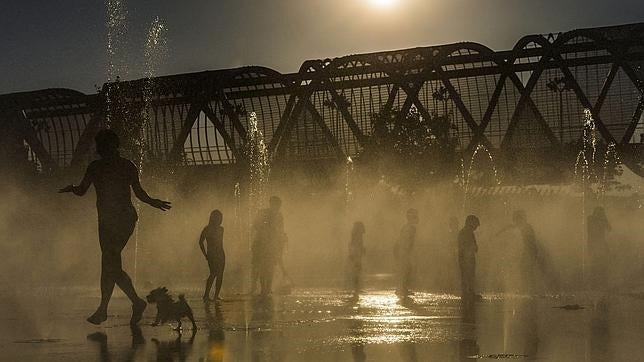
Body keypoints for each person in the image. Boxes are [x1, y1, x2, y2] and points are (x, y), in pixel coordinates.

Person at [59, 129, 171, 325]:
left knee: (110, 263)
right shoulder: (101, 167)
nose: (99, 148)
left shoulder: (123, 166)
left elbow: (138, 192)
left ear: (112, 145)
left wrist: (153, 202)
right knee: (109, 265)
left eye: (102, 144)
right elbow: (83, 190)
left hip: (122, 220)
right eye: (99, 145)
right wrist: (73, 189)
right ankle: (121, 306)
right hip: (106, 221)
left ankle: (117, 306)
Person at [251, 196, 285, 296]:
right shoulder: (262, 213)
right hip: (261, 243)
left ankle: (268, 288)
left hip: (272, 244)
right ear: (271, 204)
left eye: (279, 205)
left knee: (270, 267)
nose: (278, 207)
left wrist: (281, 244)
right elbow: (255, 226)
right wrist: (265, 228)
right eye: (276, 205)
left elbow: (281, 231)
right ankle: (262, 289)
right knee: (262, 267)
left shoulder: (279, 216)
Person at [199, 209, 225, 302]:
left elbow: (220, 243)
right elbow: (200, 242)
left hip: (221, 253)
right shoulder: (207, 229)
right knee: (213, 273)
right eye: (217, 217)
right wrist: (205, 254)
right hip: (212, 254)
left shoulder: (221, 229)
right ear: (213, 218)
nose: (219, 219)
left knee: (220, 274)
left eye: (220, 217)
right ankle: (206, 295)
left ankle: (216, 295)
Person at [394, 208, 418, 297]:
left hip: (402, 251)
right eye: (415, 217)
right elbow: (409, 243)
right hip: (404, 252)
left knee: (405, 270)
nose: (417, 218)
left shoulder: (406, 227)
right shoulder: (411, 228)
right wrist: (409, 254)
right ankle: (402, 289)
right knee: (406, 270)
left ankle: (402, 289)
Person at [587, 206, 611, 291]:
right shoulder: (590, 219)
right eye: (600, 212)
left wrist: (604, 219)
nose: (601, 214)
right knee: (595, 263)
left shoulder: (600, 219)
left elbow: (609, 229)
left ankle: (601, 282)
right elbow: (590, 231)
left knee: (601, 263)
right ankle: (595, 283)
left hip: (600, 244)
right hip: (594, 243)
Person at [458, 215, 480, 303]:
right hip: (466, 258)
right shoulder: (465, 233)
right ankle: (467, 294)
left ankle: (469, 293)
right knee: (467, 275)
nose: (476, 227)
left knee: (469, 276)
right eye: (475, 225)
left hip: (468, 258)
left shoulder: (466, 233)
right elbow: (463, 246)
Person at [348, 222, 366, 294]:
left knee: (356, 270)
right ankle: (356, 288)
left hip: (356, 254)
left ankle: (356, 288)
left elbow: (352, 245)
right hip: (356, 254)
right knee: (357, 270)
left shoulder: (356, 235)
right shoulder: (357, 235)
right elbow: (354, 245)